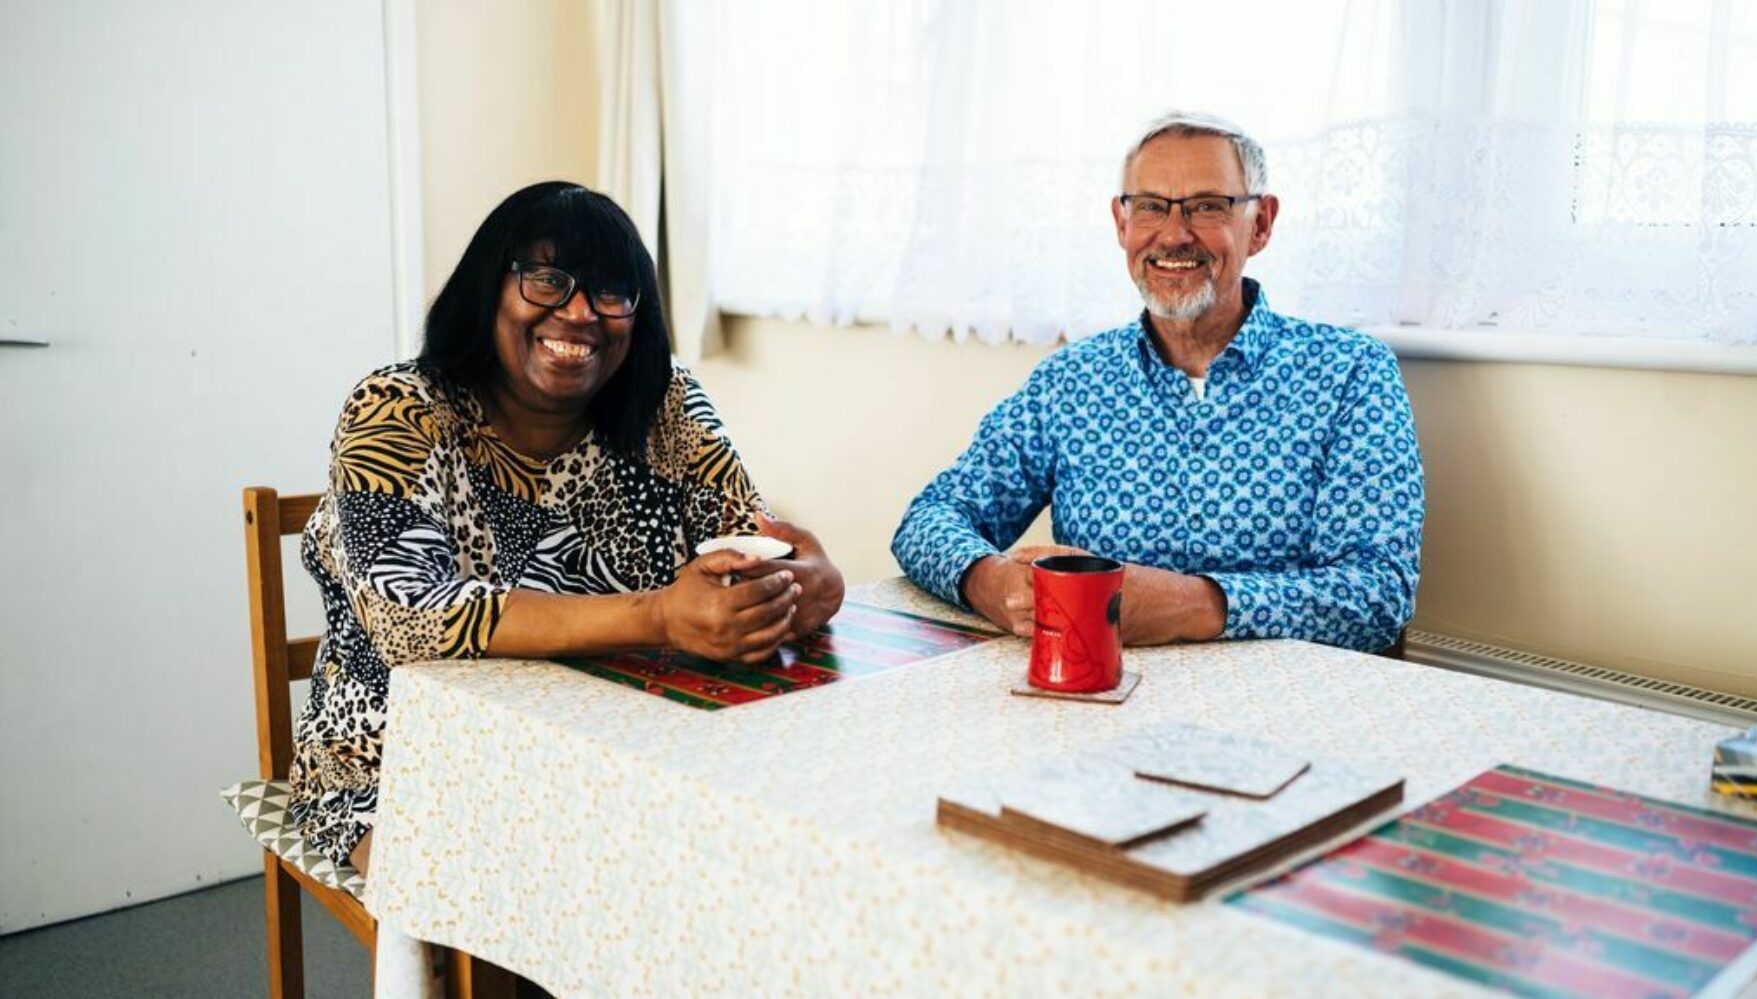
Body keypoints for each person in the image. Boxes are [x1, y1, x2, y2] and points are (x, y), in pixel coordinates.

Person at [289, 182, 845, 878]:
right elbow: (408, 618)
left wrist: (806, 583)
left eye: (611, 291)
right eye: (548, 279)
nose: (579, 312)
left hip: (621, 751)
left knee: (757, 847)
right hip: (399, 769)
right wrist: (663, 615)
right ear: (490, 288)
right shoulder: (398, 408)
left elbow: (747, 544)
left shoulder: (664, 405)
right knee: (556, 882)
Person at [892, 111, 1423, 654]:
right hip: (1096, 697)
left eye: (1207, 207)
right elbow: (930, 519)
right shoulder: (1071, 382)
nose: (1174, 234)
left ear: (1260, 224)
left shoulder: (1350, 373)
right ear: (1122, 224)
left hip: (1286, 710)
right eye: (1149, 207)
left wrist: (1189, 605)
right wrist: (997, 584)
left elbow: (1379, 594)